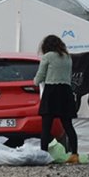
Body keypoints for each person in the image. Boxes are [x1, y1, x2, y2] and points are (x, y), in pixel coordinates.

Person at [34, 34, 79, 164]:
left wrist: (35, 81)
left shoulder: (47, 57)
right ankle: (74, 154)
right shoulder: (67, 57)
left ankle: (44, 155)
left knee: (46, 127)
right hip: (66, 92)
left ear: (46, 46)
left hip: (52, 92)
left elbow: (39, 77)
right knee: (68, 125)